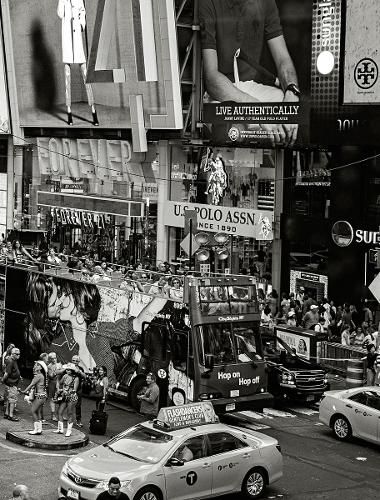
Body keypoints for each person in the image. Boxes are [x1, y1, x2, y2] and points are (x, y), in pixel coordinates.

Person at [200, 0, 299, 147]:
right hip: (223, 92)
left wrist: (292, 95)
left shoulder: (266, 3)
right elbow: (212, 78)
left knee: (295, 115)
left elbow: (283, 60)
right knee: (227, 127)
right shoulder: (209, 3)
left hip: (252, 90)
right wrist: (258, 111)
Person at [57, 0, 99, 126]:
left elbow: (82, 12)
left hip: (77, 39)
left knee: (86, 77)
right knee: (67, 79)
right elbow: (60, 14)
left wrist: (81, 24)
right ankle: (69, 112)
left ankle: (94, 112)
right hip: (67, 40)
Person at [58, 280, 101, 371]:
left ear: (80, 303)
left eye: (66, 295)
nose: (60, 300)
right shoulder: (61, 343)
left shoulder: (98, 344)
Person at [21, 360, 48, 435]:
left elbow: (31, 385)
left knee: (33, 411)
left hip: (39, 396)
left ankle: (36, 429)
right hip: (42, 396)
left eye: (36, 365)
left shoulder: (38, 376)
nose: (34, 366)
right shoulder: (41, 375)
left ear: (40, 368)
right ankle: (39, 429)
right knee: (38, 412)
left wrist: (24, 391)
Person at [53, 362, 79, 437]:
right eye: (67, 369)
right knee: (59, 411)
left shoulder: (76, 378)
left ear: (72, 370)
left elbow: (74, 390)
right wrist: (59, 388)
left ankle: (69, 431)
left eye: (69, 370)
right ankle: (60, 429)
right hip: (64, 397)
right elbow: (60, 383)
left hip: (72, 397)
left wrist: (66, 391)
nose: (67, 371)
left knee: (69, 413)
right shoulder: (65, 376)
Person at [1, 347, 21, 421]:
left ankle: (7, 414)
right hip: (11, 384)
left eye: (19, 354)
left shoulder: (13, 360)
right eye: (17, 354)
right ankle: (11, 415)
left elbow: (13, 371)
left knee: (9, 400)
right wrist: (3, 380)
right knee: (12, 400)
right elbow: (7, 373)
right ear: (12, 354)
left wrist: (18, 375)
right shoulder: (11, 361)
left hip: (11, 383)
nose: (19, 355)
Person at [47, 352, 61, 421]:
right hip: (53, 383)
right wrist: (56, 371)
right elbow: (51, 376)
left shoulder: (59, 364)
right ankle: (53, 415)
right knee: (52, 399)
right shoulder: (49, 366)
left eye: (55, 358)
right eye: (52, 358)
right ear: (50, 359)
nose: (54, 359)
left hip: (60, 382)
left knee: (61, 399)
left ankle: (60, 414)